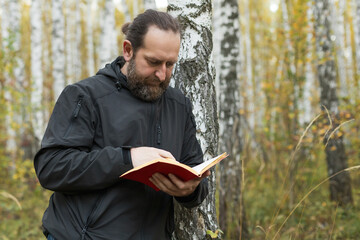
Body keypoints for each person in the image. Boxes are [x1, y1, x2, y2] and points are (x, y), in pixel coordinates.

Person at [34, 9, 210, 240]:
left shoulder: (179, 106)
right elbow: (52, 168)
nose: (161, 74)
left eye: (170, 64)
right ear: (128, 50)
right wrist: (127, 159)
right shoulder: (85, 96)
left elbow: (194, 170)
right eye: (153, 62)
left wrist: (191, 190)